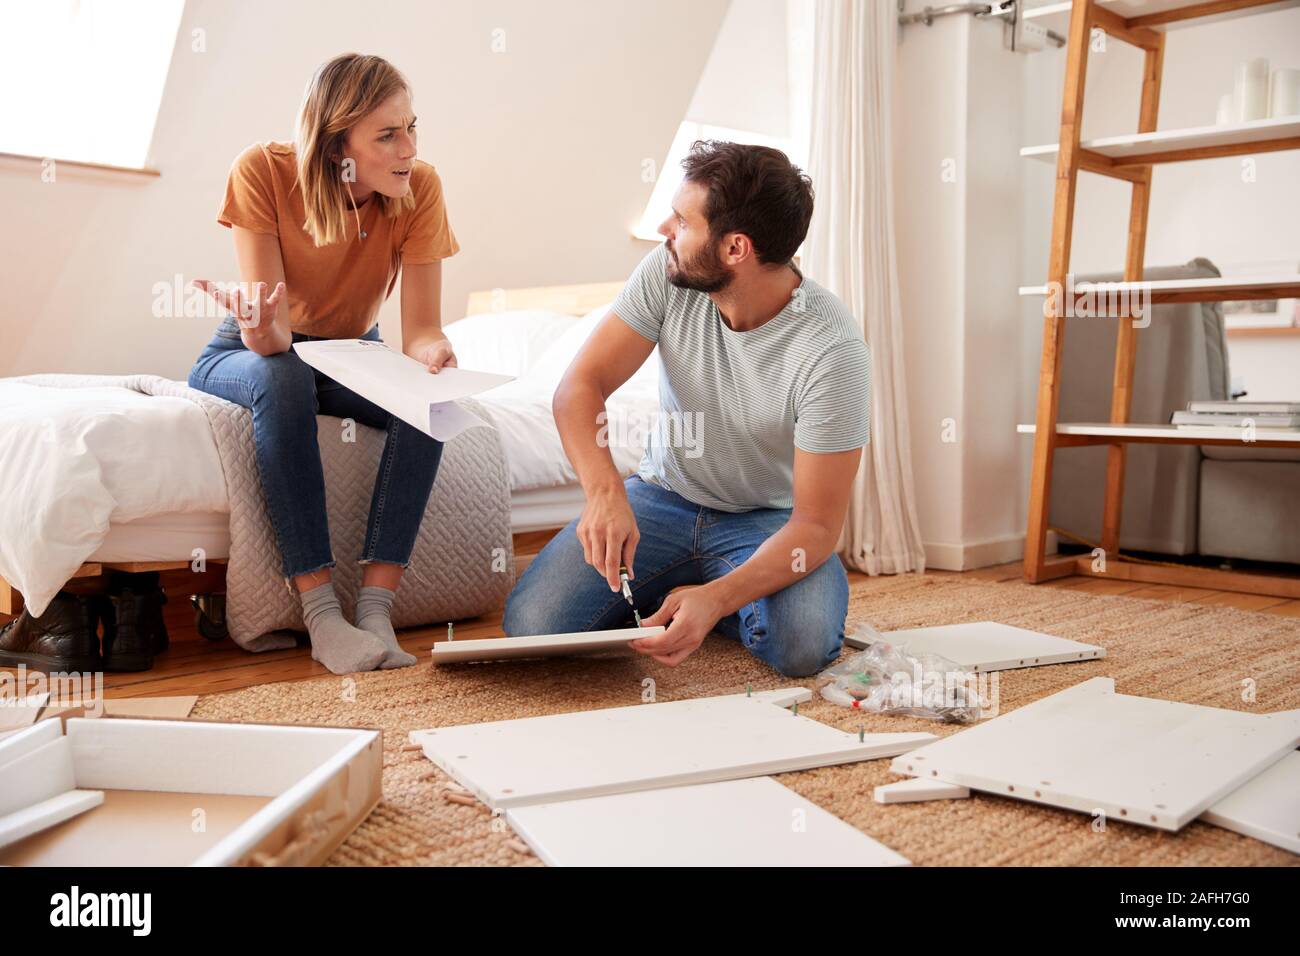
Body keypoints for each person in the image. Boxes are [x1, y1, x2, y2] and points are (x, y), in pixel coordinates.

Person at [504, 141, 870, 677]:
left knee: (802, 646)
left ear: (735, 249)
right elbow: (580, 386)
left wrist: (717, 598)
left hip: (769, 524)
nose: (663, 229)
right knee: (534, 628)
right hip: (662, 498)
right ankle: (709, 597)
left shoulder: (832, 351)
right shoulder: (668, 273)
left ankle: (714, 599)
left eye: (681, 220)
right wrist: (605, 494)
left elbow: (816, 527)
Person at [188, 53, 459, 674]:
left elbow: (420, 329)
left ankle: (374, 608)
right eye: (388, 135)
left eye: (412, 127)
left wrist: (432, 355)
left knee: (432, 402)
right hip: (252, 347)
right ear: (337, 142)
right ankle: (321, 616)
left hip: (349, 352)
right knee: (283, 376)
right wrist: (258, 327)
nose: (408, 148)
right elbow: (275, 338)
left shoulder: (421, 189)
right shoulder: (262, 171)